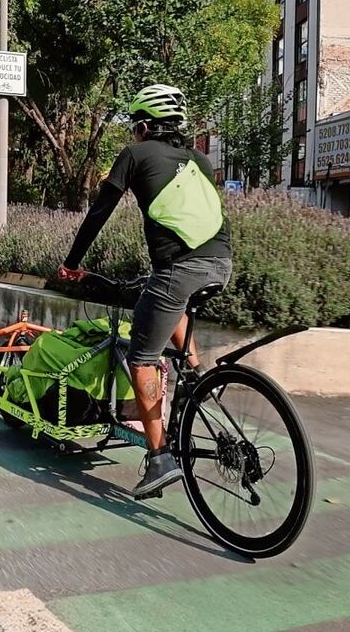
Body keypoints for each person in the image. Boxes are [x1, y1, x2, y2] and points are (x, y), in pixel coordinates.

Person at [57, 84, 233, 497]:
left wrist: (71, 263)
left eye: (136, 127)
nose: (134, 135)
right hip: (221, 264)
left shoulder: (134, 155)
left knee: (142, 359)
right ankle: (198, 379)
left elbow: (99, 212)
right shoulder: (200, 161)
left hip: (180, 270)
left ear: (144, 125)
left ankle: (159, 459)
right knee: (169, 304)